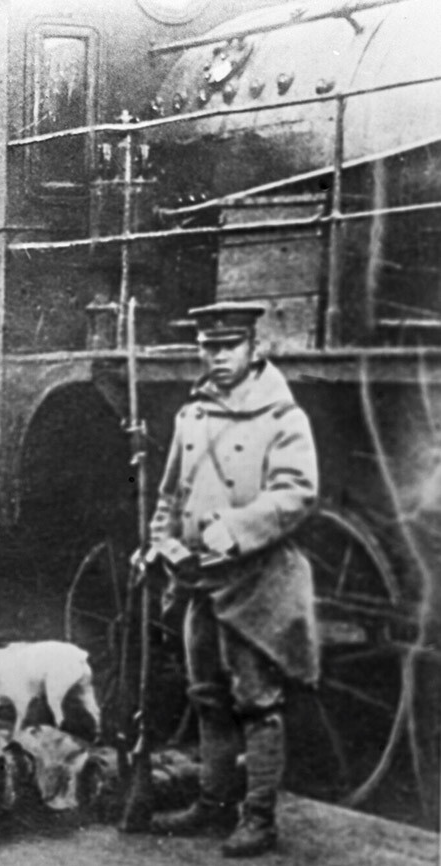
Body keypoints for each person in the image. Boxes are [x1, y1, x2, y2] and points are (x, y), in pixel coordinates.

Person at [142, 302, 319, 858]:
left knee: (256, 702)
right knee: (207, 696)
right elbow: (171, 492)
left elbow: (297, 493)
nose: (217, 357)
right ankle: (214, 804)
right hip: (198, 579)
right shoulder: (192, 415)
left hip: (254, 581)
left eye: (229, 346)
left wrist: (236, 528)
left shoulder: (282, 418)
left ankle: (259, 818)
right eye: (208, 346)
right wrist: (160, 541)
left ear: (253, 348)